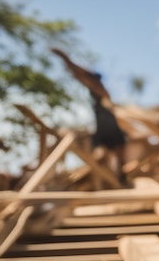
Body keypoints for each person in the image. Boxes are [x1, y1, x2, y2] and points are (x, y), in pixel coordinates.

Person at [50, 46, 126, 176]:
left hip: (106, 122)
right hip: (103, 121)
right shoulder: (100, 91)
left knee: (110, 150)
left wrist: (65, 58)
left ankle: (118, 175)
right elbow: (80, 73)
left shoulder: (99, 88)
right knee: (106, 151)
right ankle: (111, 174)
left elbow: (81, 73)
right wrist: (66, 59)